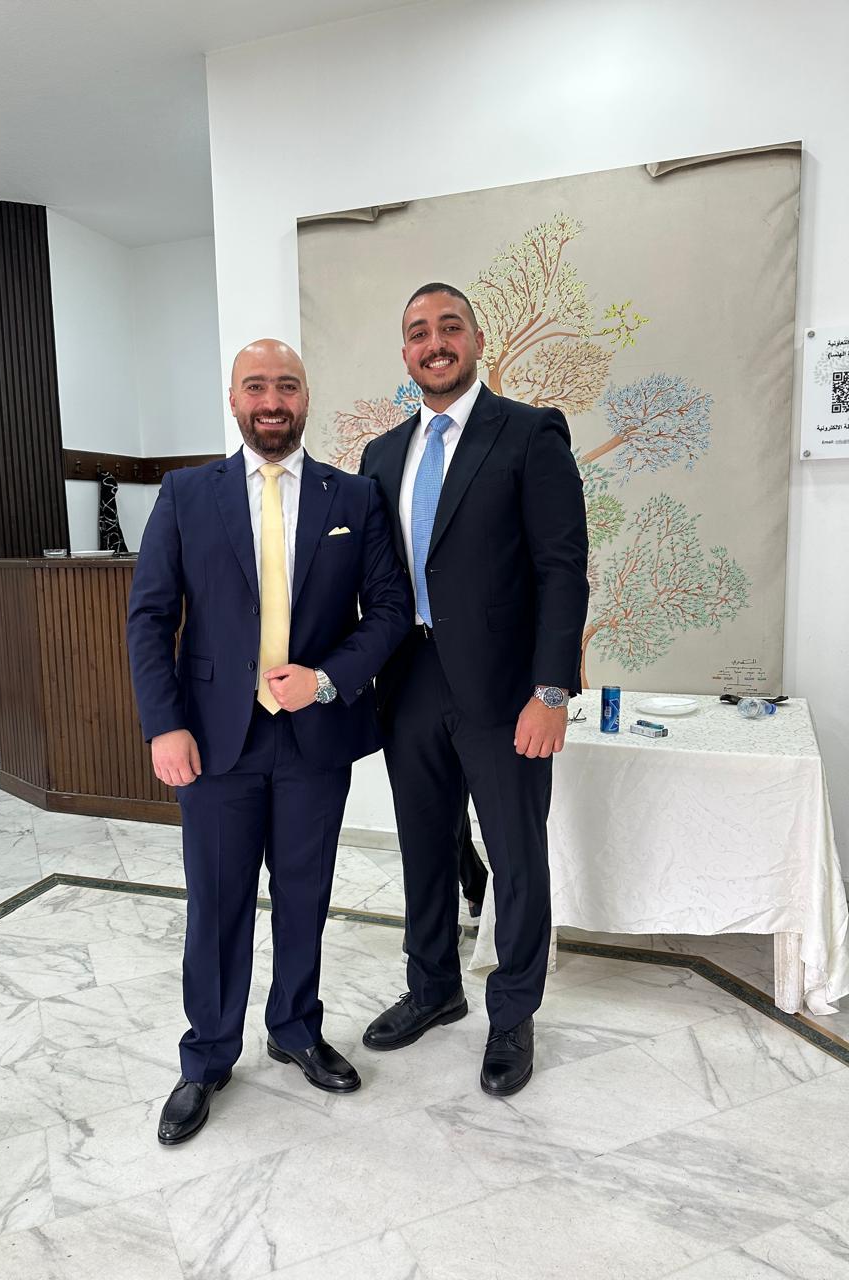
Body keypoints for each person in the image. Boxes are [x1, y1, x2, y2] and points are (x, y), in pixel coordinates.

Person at [127, 339, 413, 1145]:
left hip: (314, 737)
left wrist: (325, 679)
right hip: (214, 743)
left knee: (304, 895)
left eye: (287, 385)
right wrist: (164, 724)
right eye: (256, 386)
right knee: (216, 904)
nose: (272, 400)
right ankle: (208, 1056)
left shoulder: (353, 496)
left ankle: (294, 1028)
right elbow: (150, 617)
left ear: (306, 397)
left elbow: (390, 610)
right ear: (234, 399)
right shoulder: (186, 494)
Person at [359, 284, 589, 1097]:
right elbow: (376, 579)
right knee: (426, 843)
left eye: (449, 327)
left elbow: (562, 568)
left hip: (506, 688)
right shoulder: (382, 455)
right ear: (406, 353)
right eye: (418, 332)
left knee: (516, 854)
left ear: (477, 339)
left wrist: (552, 691)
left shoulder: (529, 433)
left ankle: (513, 1013)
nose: (435, 343)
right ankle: (433, 988)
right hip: (410, 678)